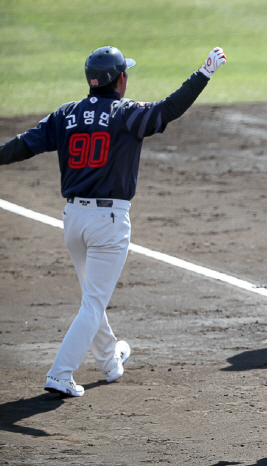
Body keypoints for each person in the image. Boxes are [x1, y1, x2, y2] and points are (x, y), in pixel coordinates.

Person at [0, 45, 226, 397]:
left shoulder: (66, 114)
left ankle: (109, 361)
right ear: (120, 79)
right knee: (93, 302)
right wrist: (204, 73)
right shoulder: (125, 113)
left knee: (93, 296)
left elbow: (23, 145)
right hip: (107, 221)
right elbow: (168, 109)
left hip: (73, 220)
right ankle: (60, 374)